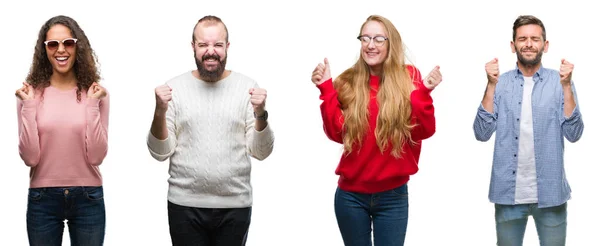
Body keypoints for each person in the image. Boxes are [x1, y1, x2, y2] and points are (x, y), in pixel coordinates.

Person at [311, 15, 442, 246]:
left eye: (379, 39)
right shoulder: (348, 81)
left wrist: (423, 94)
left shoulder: (408, 77)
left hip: (393, 196)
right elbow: (336, 133)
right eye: (366, 38)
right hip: (350, 197)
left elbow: (424, 131)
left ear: (391, 43)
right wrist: (326, 89)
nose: (371, 45)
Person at [146, 15, 274, 246]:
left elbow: (261, 152)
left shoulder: (247, 87)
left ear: (227, 47)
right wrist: (159, 111)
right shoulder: (175, 88)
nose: (210, 51)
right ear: (193, 47)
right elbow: (159, 152)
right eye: (203, 45)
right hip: (184, 205)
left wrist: (260, 113)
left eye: (217, 45)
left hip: (235, 205)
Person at [473, 15, 584, 246]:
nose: (529, 43)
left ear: (545, 44)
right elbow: (481, 132)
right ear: (513, 46)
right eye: (522, 38)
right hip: (507, 195)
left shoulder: (560, 82)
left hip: (551, 194)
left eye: (535, 38)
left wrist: (566, 87)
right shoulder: (499, 83)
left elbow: (574, 134)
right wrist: (491, 85)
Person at [15, 15, 109, 246]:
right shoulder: (30, 95)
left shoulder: (95, 94)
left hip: (88, 196)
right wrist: (28, 106)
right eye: (53, 44)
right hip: (42, 198)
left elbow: (97, 156)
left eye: (68, 43)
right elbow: (30, 158)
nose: (61, 50)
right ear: (44, 49)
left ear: (78, 46)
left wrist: (91, 105)